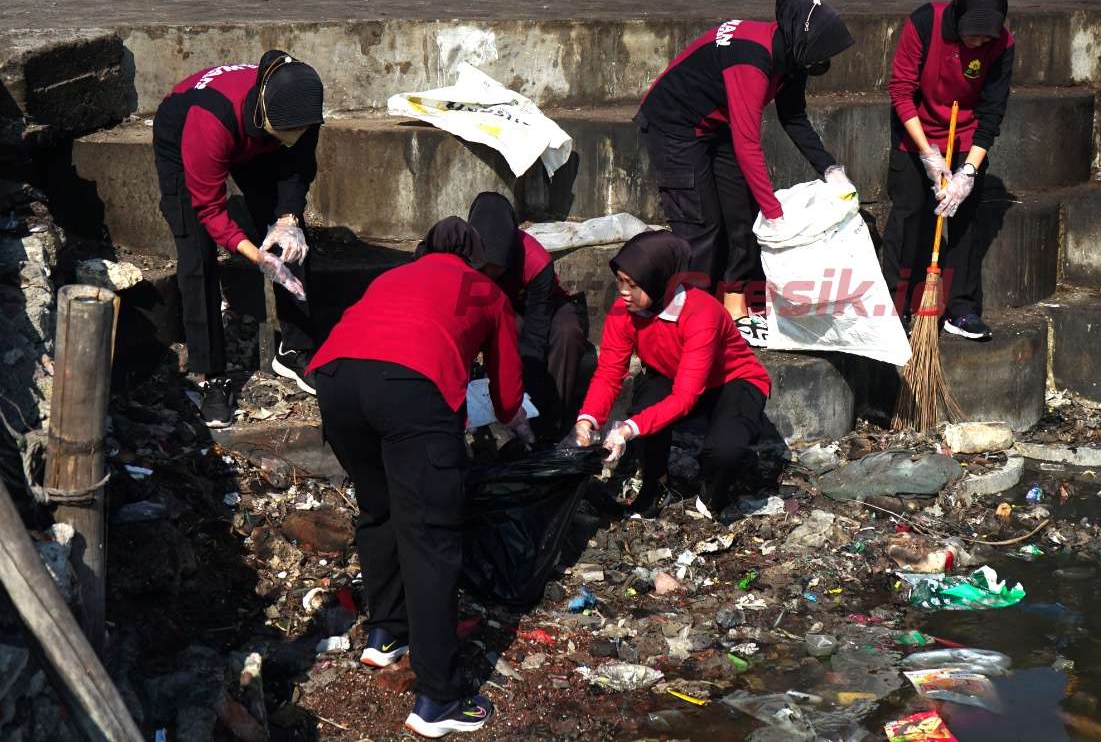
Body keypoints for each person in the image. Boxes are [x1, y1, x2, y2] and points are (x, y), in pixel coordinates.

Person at [307, 218, 530, 739]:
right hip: (411, 389)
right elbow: (506, 395)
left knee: (380, 508)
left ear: (423, 248)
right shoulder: (486, 291)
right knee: (429, 540)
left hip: (336, 382)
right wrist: (515, 417)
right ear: (475, 258)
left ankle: (385, 634)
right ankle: (439, 699)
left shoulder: (391, 276)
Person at [635, 0, 857, 348]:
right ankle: (689, 316)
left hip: (714, 123)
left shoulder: (791, 59)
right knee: (701, 223)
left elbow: (794, 118)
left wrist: (830, 168)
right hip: (673, 125)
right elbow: (748, 143)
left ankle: (735, 304)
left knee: (742, 215)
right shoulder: (752, 58)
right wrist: (775, 211)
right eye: (823, 51)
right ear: (804, 40)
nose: (825, 61)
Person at [152, 50, 323, 428]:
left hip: (259, 143)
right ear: (264, 115)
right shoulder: (208, 122)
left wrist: (287, 219)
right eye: (284, 136)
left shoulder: (302, 105)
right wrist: (255, 256)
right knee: (196, 253)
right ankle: (212, 375)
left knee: (293, 240)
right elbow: (211, 211)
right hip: (184, 138)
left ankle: (296, 347)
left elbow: (297, 169)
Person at [567, 231, 772, 519]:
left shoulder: (701, 313)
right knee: (644, 409)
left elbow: (685, 398)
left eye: (633, 285)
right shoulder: (623, 311)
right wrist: (587, 420)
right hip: (673, 373)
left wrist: (627, 429)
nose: (623, 291)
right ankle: (657, 484)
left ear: (658, 282)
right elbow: (609, 373)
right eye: (620, 282)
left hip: (731, 380)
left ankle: (713, 494)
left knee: (725, 450)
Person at [882, 0, 1015, 340]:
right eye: (971, 33)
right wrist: (927, 155)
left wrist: (968, 172)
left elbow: (993, 112)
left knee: (964, 220)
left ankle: (961, 310)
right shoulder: (925, 22)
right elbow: (901, 92)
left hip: (966, 135)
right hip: (918, 132)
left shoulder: (1003, 43)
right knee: (908, 216)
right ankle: (894, 306)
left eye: (983, 38)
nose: (976, 43)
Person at [467, 192, 591, 439]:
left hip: (547, 306)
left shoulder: (536, 261)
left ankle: (553, 419)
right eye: (484, 271)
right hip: (506, 311)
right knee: (509, 330)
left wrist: (530, 402)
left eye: (498, 269)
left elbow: (536, 332)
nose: (491, 277)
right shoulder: (464, 255)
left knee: (567, 334)